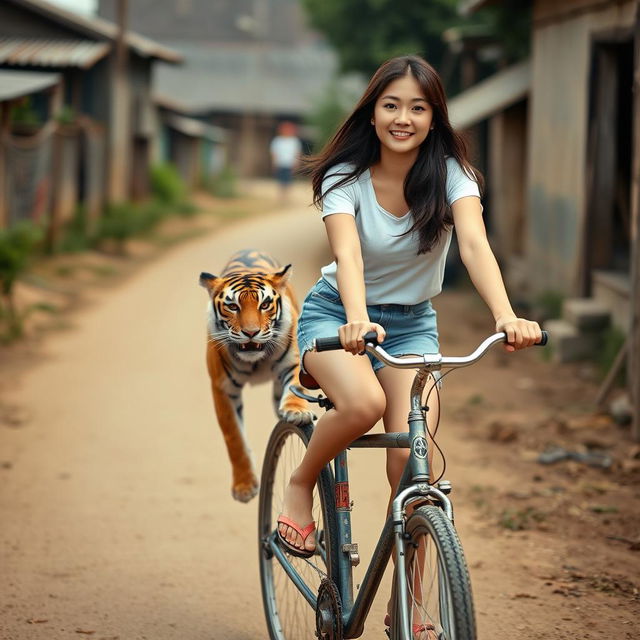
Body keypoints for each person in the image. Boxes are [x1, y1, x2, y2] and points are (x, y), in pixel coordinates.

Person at [276, 55, 542, 635]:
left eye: (418, 108)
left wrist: (506, 316)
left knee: (411, 470)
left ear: (434, 117)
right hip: (336, 318)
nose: (403, 118)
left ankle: (414, 608)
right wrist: (354, 319)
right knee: (365, 406)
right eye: (391, 105)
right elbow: (347, 256)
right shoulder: (343, 179)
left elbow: (473, 243)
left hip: (414, 324)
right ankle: (299, 487)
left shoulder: (453, 174)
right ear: (372, 113)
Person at [270, 120, 302, 204]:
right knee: (281, 180)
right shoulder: (277, 140)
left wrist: (296, 163)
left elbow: (297, 153)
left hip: (290, 164)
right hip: (280, 163)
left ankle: (287, 196)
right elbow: (274, 153)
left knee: (288, 180)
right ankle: (281, 196)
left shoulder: (294, 141)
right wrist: (274, 163)